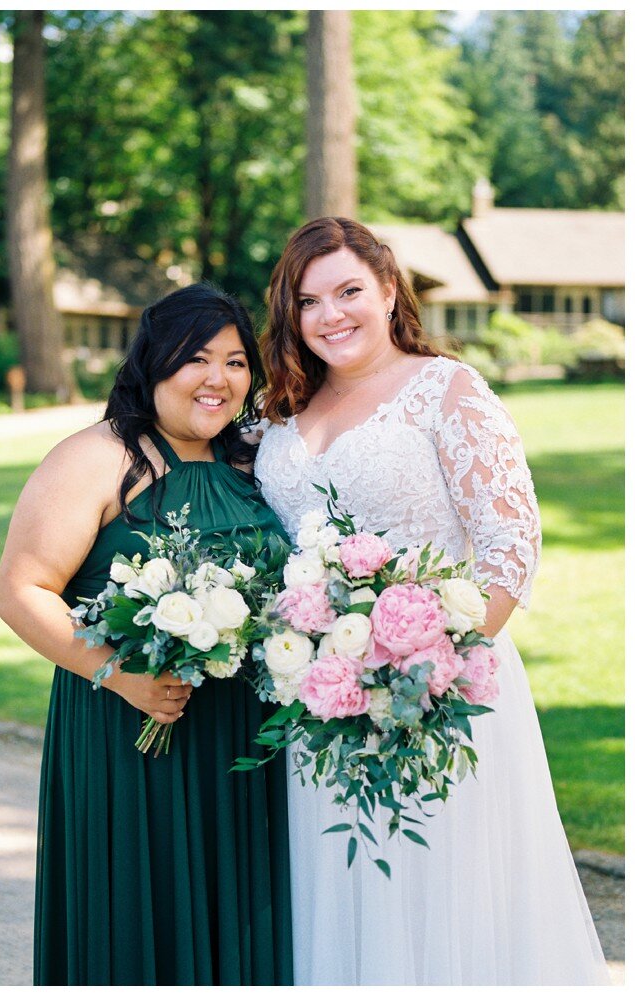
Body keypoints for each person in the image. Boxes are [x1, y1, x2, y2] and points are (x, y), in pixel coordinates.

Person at [253, 216, 608, 984]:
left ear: (388, 291)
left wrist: (424, 675)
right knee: (338, 887)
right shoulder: (279, 413)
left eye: (349, 291)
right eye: (309, 301)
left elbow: (511, 547)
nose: (331, 315)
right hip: (320, 698)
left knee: (438, 884)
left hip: (439, 692)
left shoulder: (445, 389)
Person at [0, 283, 293, 985]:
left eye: (235, 361)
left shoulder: (249, 461)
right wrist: (122, 676)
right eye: (196, 359)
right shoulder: (97, 457)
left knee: (238, 918)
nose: (218, 379)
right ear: (154, 364)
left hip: (246, 740)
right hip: (129, 728)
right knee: (139, 916)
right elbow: (20, 591)